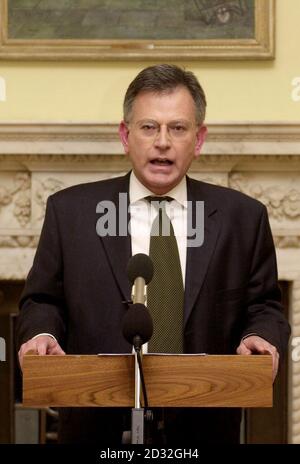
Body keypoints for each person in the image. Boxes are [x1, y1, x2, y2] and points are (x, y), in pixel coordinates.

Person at [16, 64, 290, 444]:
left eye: (178, 128)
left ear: (199, 139)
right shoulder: (71, 212)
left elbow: (265, 306)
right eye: (149, 127)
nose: (163, 141)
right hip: (95, 426)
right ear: (126, 136)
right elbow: (42, 300)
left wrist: (261, 336)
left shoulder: (242, 218)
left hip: (204, 427)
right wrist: (41, 333)